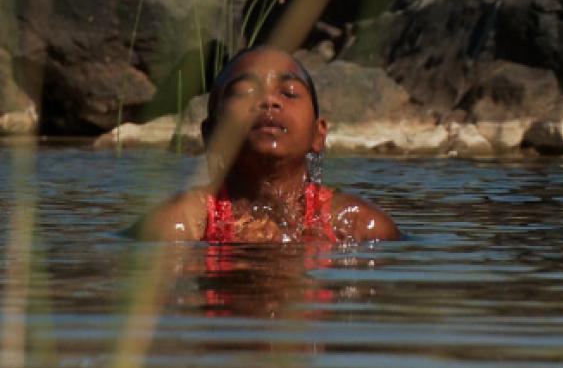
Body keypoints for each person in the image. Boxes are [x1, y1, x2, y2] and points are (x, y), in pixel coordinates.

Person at [127, 46, 401, 243]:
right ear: (211, 135)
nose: (269, 102)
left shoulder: (359, 225)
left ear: (319, 135)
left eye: (289, 93)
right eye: (245, 93)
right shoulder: (181, 224)